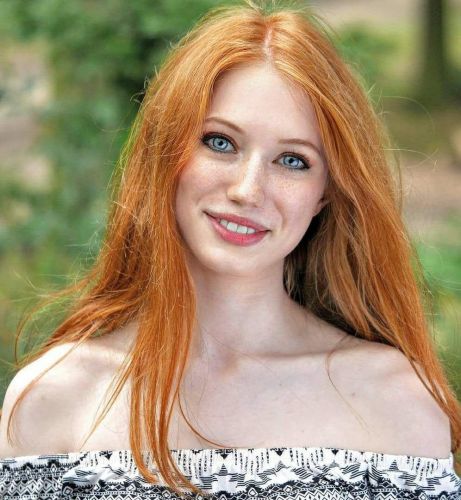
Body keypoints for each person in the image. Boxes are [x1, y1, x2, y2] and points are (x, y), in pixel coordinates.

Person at [0, 1, 460, 498]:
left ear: (325, 193)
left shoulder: (394, 403)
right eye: (220, 142)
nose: (247, 190)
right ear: (164, 153)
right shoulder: (56, 398)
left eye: (293, 160)